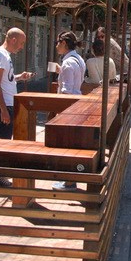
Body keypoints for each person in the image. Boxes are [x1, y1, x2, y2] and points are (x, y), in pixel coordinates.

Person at [0, 27, 34, 187]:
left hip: (7, 104)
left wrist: (18, 77)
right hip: (4, 105)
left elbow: (4, 80)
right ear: (13, 40)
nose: (21, 47)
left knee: (2, 140)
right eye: (21, 43)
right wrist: (2, 109)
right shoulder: (1, 54)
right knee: (1, 142)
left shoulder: (4, 55)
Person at [52, 31, 86, 191]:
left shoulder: (67, 63)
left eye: (58, 42)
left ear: (64, 43)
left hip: (68, 109)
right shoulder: (78, 59)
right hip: (78, 105)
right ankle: (70, 180)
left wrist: (60, 114)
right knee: (73, 144)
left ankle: (69, 182)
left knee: (66, 144)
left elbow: (66, 91)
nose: (56, 45)